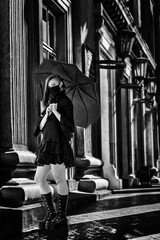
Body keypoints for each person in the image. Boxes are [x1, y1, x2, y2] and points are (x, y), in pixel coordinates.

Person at [34, 74, 75, 231]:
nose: (53, 88)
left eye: (56, 84)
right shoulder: (47, 104)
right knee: (39, 179)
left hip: (58, 146)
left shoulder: (66, 102)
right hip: (47, 145)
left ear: (62, 85)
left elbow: (69, 127)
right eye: (50, 85)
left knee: (59, 179)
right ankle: (51, 213)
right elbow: (39, 127)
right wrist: (48, 114)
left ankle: (61, 216)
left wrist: (57, 113)